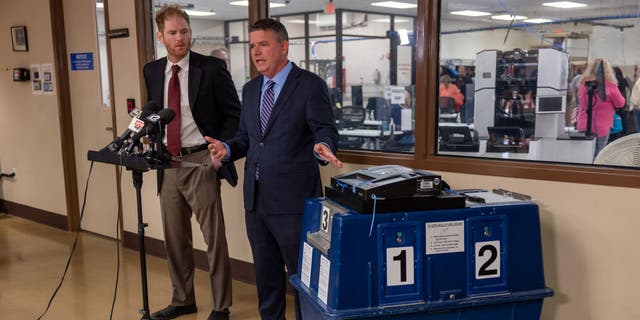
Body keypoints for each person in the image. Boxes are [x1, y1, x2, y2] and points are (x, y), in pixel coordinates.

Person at [205, 18, 342, 320]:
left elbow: (325, 129)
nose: (256, 52)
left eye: (263, 44)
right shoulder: (251, 89)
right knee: (267, 282)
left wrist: (323, 146)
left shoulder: (308, 85)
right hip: (256, 202)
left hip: (294, 203)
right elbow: (247, 138)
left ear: (283, 46)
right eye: (252, 46)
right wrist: (227, 149)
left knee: (303, 281)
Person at [143, 5, 241, 320]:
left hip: (201, 159)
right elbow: (156, 111)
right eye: (172, 32)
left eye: (184, 31)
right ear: (161, 36)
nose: (180, 37)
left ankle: (221, 305)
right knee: (175, 238)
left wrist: (220, 149)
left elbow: (233, 114)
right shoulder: (153, 70)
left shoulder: (211, 68)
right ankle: (183, 299)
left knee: (213, 238)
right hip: (168, 161)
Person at [576, 58, 625, 158]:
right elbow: (620, 103)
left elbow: (580, 102)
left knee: (583, 156)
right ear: (607, 69)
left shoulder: (582, 83)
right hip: (601, 127)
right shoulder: (609, 85)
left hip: (583, 124)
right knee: (598, 156)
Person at [630, 65, 640, 133]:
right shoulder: (638, 80)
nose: (637, 72)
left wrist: (636, 103)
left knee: (638, 131)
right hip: (636, 108)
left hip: (638, 108)